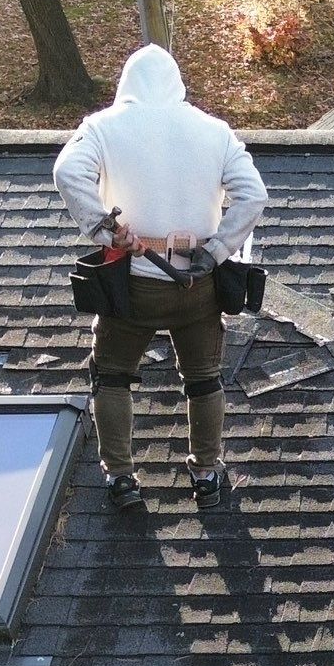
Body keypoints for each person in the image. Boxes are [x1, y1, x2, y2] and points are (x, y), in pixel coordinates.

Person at [53, 45, 268, 512]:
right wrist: (216, 249)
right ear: (177, 84)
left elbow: (67, 171)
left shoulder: (102, 129)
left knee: (111, 376)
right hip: (198, 286)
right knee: (205, 379)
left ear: (125, 84)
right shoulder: (215, 132)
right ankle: (207, 474)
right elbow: (253, 196)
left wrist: (104, 226)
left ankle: (122, 478)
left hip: (132, 284)